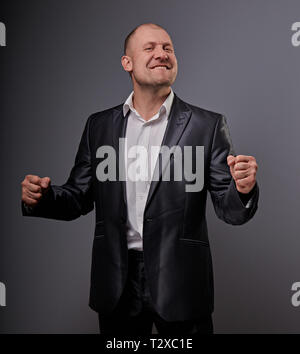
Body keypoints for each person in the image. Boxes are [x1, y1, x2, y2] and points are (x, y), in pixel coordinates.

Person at [21, 23, 259, 334]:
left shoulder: (208, 125)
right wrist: (43, 197)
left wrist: (243, 189)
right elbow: (78, 197)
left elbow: (229, 209)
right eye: (150, 48)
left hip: (182, 284)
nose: (162, 54)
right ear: (127, 62)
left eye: (168, 48)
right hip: (116, 283)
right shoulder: (99, 126)